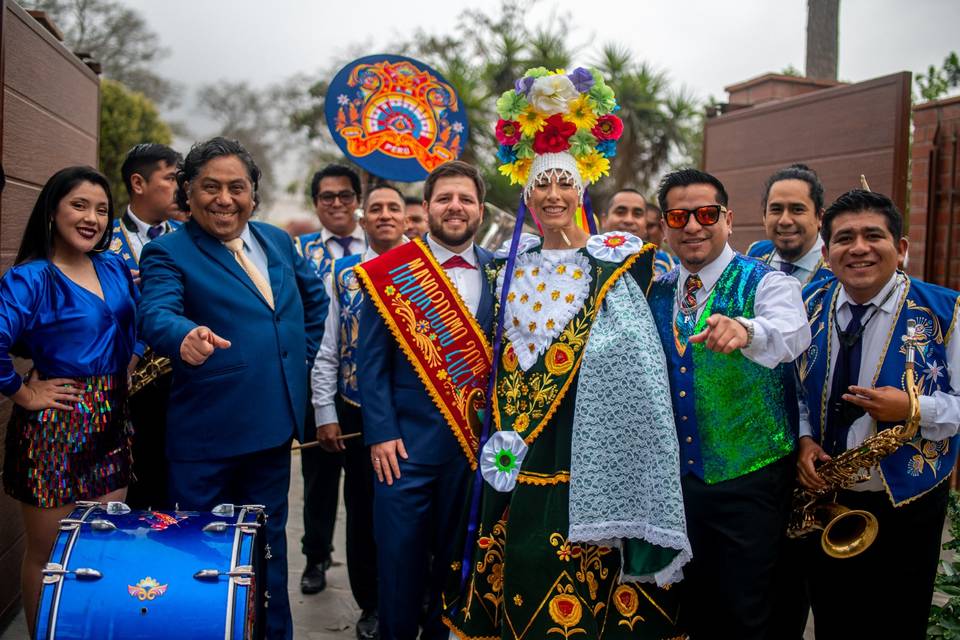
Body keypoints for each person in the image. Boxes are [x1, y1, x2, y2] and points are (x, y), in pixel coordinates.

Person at [445, 68, 690, 639]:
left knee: (583, 568)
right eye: (541, 186)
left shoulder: (613, 263)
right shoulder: (510, 264)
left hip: (585, 438)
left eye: (563, 184)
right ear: (526, 194)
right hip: (519, 444)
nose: (552, 195)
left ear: (581, 191)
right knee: (524, 558)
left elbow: (635, 360)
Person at [137, 137, 328, 640]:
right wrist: (186, 336)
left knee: (268, 553)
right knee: (199, 557)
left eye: (236, 187)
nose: (224, 199)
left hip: (271, 434)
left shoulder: (278, 241)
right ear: (189, 192)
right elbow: (156, 313)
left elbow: (313, 303)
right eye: (210, 187)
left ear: (253, 194)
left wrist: (296, 360)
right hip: (206, 440)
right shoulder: (168, 250)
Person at [647, 168, 811, 639]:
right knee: (684, 610)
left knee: (745, 611)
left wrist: (746, 330)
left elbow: (792, 331)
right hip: (675, 486)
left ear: (728, 219)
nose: (693, 226)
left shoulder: (765, 284)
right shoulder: (655, 289)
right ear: (664, 226)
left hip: (749, 481)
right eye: (679, 216)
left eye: (706, 214)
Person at [796, 189, 960, 639]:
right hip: (828, 499)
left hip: (910, 499)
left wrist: (911, 407)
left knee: (897, 624)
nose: (860, 248)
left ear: (901, 249)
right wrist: (805, 439)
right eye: (845, 238)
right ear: (827, 253)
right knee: (833, 621)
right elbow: (796, 392)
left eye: (874, 235)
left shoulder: (946, 310)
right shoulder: (808, 306)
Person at [356, 160, 494, 640]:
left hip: (473, 451)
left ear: (480, 209)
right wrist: (380, 432)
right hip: (402, 452)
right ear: (427, 206)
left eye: (465, 199)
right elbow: (369, 363)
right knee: (398, 566)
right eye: (444, 198)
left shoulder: (506, 271)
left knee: (455, 571)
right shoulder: (391, 271)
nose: (455, 207)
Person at [1, 166, 140, 636]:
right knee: (48, 555)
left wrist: (131, 364)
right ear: (53, 211)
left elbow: (134, 327)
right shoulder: (31, 278)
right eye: (80, 205)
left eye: (102, 210)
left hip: (111, 425)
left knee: (101, 546)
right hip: (53, 429)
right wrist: (24, 391)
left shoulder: (115, 266)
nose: (93, 218)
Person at [311, 183, 409, 639]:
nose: (385, 214)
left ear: (408, 217)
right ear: (363, 220)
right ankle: (370, 603)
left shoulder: (430, 268)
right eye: (376, 209)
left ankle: (414, 596)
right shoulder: (345, 273)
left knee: (411, 510)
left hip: (415, 413)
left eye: (394, 207)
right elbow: (330, 348)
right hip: (356, 411)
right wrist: (324, 411)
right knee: (364, 509)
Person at [294, 163, 368, 594]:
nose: (337, 203)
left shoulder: (382, 246)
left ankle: (364, 564)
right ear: (316, 203)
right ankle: (315, 556)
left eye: (344, 195)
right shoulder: (299, 251)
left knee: (364, 484)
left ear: (357, 201)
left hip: (364, 390)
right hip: (316, 382)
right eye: (327, 197)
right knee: (318, 479)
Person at [113, 142, 183, 510]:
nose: (181, 187)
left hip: (183, 387)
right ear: (138, 183)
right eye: (171, 178)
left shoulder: (191, 241)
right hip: (120, 388)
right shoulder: (100, 243)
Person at [747, 163, 832, 284]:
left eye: (797, 209)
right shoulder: (755, 255)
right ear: (764, 217)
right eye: (776, 209)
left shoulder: (838, 269)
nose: (785, 221)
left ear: (820, 217)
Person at [644, 202, 679, 275]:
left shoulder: (678, 265)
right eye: (641, 226)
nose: (644, 231)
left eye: (649, 226)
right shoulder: (622, 265)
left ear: (663, 228)